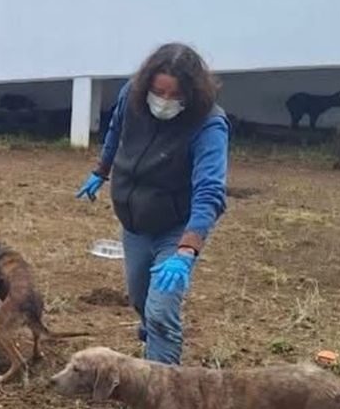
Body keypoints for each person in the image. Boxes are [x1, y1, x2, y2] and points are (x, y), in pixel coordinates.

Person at [75, 42, 229, 365]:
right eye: (159, 92)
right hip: (134, 222)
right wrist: (101, 170)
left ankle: (165, 394)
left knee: (160, 310)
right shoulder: (132, 95)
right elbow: (116, 130)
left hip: (176, 226)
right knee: (140, 299)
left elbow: (210, 190)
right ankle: (153, 336)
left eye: (176, 96)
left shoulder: (208, 124)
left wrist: (187, 250)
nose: (165, 102)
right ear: (147, 84)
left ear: (191, 94)